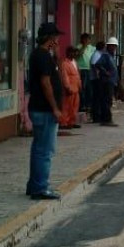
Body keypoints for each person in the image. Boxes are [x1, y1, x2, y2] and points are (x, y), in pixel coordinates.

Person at [26, 22, 65, 200]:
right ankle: (41, 187)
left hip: (40, 109)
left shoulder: (44, 55)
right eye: (56, 37)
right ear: (50, 39)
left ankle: (34, 185)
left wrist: (56, 56)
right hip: (45, 110)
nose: (58, 40)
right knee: (45, 151)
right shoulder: (41, 56)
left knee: (38, 149)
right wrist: (55, 108)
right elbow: (45, 83)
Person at [90, 36, 120, 127]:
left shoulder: (110, 56)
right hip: (106, 81)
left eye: (115, 46)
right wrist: (105, 72)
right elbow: (97, 64)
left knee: (108, 100)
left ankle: (104, 118)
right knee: (107, 100)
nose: (114, 48)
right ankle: (107, 119)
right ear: (108, 46)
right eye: (112, 46)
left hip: (111, 81)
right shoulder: (105, 55)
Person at [59, 46, 82, 130]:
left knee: (74, 106)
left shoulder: (74, 62)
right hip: (70, 88)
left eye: (75, 52)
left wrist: (80, 86)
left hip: (76, 87)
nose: (74, 54)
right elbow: (64, 76)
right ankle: (63, 122)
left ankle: (71, 122)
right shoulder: (64, 63)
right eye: (72, 52)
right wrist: (67, 87)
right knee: (66, 106)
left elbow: (77, 75)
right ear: (68, 53)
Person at [76, 33, 96, 114]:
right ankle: (82, 105)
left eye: (88, 39)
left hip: (90, 69)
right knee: (82, 88)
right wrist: (83, 46)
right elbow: (78, 55)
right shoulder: (78, 47)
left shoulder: (92, 48)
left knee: (89, 88)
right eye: (85, 39)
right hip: (81, 69)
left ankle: (89, 105)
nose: (87, 41)